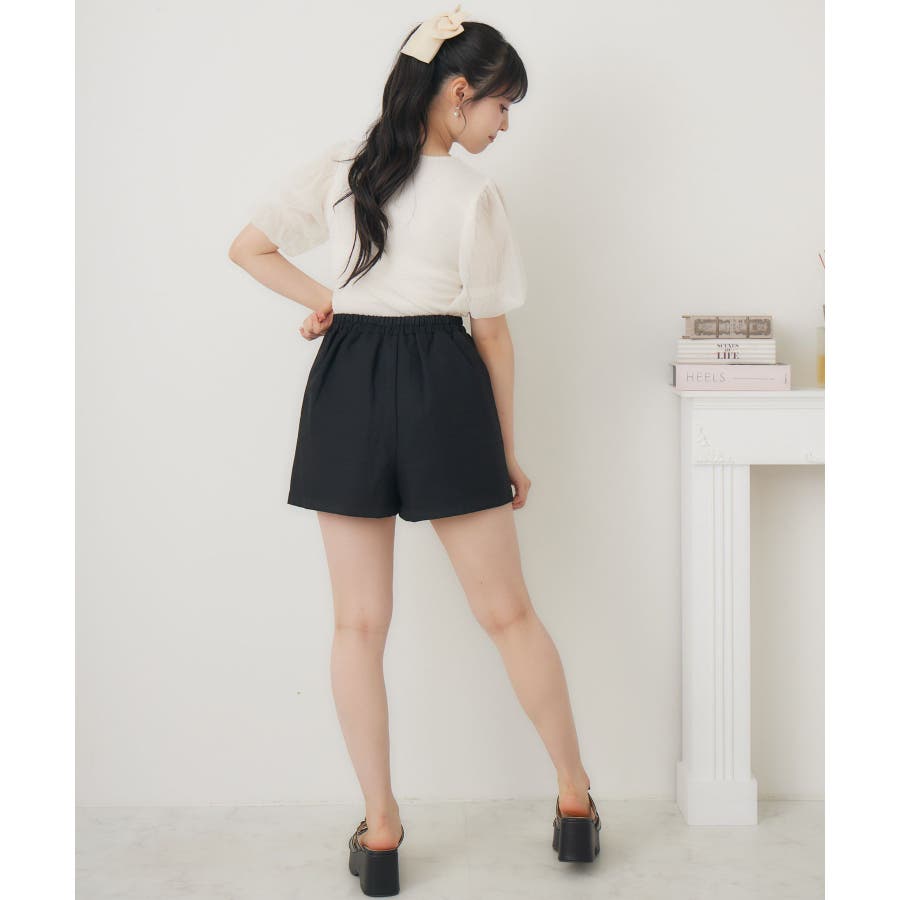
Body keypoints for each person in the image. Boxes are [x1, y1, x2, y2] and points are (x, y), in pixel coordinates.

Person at [229, 6, 600, 894]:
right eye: (501, 106)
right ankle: (575, 799)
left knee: (357, 625)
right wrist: (505, 451)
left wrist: (332, 302)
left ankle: (384, 829)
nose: (504, 125)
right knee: (509, 614)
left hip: (347, 388)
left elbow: (249, 248)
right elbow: (493, 335)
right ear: (458, 93)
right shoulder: (474, 197)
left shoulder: (343, 168)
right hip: (444, 382)